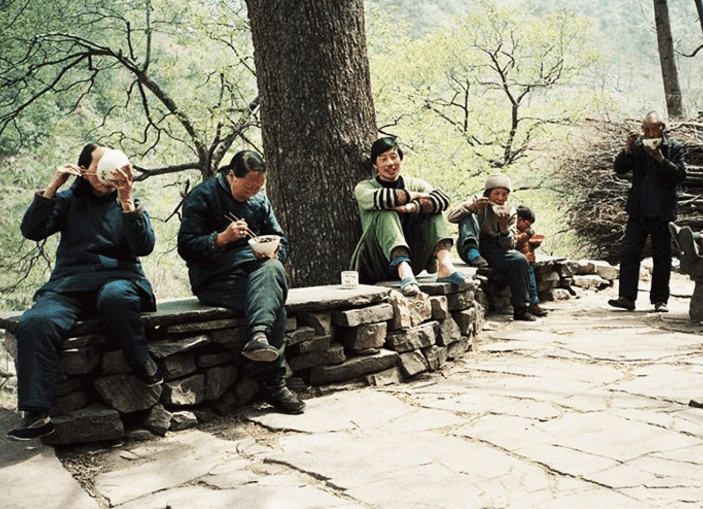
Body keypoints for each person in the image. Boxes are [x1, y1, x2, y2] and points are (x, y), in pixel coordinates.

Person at [7, 144, 161, 441]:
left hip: (119, 279)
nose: (108, 174)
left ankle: (141, 360)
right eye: (101, 167)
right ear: (85, 170)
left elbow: (144, 246)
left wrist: (127, 201)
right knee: (36, 322)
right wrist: (53, 187)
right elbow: (32, 230)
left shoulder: (128, 201)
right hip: (70, 285)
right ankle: (37, 413)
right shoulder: (68, 200)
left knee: (115, 297)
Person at [177, 150, 304, 415]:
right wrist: (220, 239)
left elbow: (282, 239)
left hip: (256, 272)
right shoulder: (203, 196)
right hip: (215, 279)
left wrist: (276, 250)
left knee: (272, 267)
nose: (252, 192)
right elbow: (186, 247)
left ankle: (257, 343)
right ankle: (273, 383)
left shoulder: (259, 200)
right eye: (248, 186)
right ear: (231, 175)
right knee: (274, 305)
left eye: (258, 187)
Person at [350, 137, 468, 296]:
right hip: (377, 263)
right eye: (383, 159)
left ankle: (445, 265)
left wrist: (412, 207)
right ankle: (403, 270)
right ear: (375, 164)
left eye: (393, 157)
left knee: (433, 211)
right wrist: (415, 195)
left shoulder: (414, 182)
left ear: (400, 158)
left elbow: (442, 200)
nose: (390, 163)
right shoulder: (364, 188)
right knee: (386, 211)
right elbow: (384, 198)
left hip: (414, 260)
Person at [608, 111, 686, 313]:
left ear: (662, 128)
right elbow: (619, 169)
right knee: (629, 253)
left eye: (654, 129)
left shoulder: (674, 148)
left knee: (662, 258)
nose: (651, 133)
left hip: (663, 212)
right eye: (647, 129)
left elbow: (679, 175)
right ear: (642, 130)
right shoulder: (637, 148)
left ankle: (660, 300)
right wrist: (627, 149)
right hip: (639, 211)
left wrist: (660, 158)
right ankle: (626, 297)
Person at [447, 174, 536, 321]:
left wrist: (504, 229)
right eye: (497, 194)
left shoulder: (511, 212)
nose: (501, 198)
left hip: (494, 247)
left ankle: (521, 308)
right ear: (489, 193)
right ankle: (473, 253)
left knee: (520, 260)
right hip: (470, 244)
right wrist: (471, 208)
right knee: (468, 215)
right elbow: (451, 217)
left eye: (504, 194)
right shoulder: (477, 201)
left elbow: (510, 244)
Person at [514, 205, 548, 317]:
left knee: (532, 285)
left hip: (530, 263)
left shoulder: (523, 232)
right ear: (519, 220)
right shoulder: (515, 231)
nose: (529, 227)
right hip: (523, 264)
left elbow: (528, 246)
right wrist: (527, 235)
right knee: (530, 286)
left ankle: (533, 304)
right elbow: (517, 242)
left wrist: (535, 243)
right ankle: (532, 305)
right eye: (527, 224)